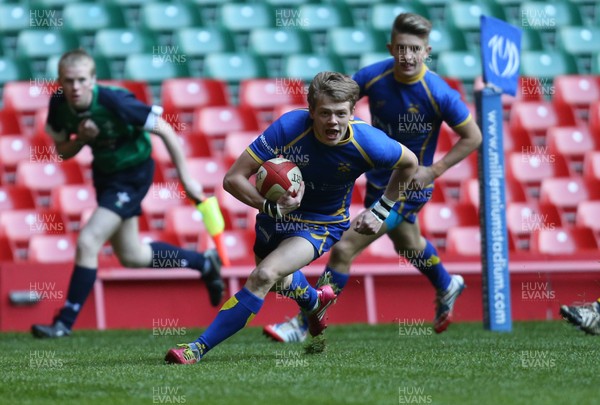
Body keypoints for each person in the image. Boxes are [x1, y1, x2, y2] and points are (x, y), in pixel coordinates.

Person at [164, 71, 418, 364]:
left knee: (263, 276)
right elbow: (233, 178)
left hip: (322, 223)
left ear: (352, 112)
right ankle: (314, 301)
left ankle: (196, 348)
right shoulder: (289, 127)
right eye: (324, 113)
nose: (332, 122)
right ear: (311, 111)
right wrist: (270, 208)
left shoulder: (370, 143)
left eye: (340, 114)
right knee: (280, 282)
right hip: (275, 217)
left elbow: (409, 163)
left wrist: (382, 209)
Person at [263, 12, 483, 343]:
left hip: (407, 185)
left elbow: (473, 137)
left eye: (415, 49)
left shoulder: (438, 92)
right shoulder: (375, 76)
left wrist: (433, 170)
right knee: (407, 241)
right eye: (401, 48)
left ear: (427, 51)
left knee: (344, 249)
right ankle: (446, 283)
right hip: (378, 180)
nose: (407, 56)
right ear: (390, 47)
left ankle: (304, 323)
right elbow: (338, 99)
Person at [31, 49, 224, 338]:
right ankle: (204, 263)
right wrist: (82, 139)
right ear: (59, 80)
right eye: (68, 81)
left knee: (88, 240)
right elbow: (61, 152)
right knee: (132, 256)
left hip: (134, 174)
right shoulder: (58, 105)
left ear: (93, 80)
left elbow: (165, 130)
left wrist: (186, 177)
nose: (75, 87)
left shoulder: (113, 101)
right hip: (106, 176)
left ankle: (64, 322)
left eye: (82, 80)